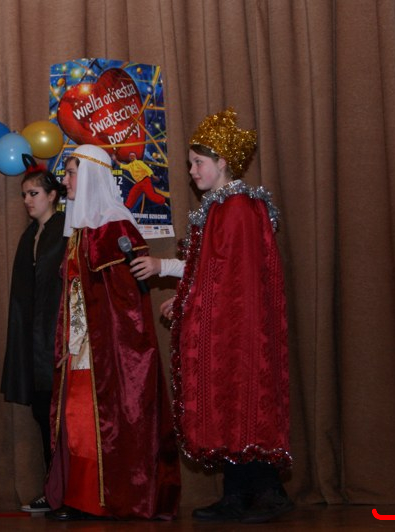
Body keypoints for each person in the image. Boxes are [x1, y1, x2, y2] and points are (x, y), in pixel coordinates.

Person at [130, 108, 293, 524]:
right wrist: (181, 290)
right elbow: (209, 269)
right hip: (229, 321)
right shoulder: (222, 207)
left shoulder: (237, 207)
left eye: (198, 162)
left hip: (239, 325)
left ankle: (268, 494)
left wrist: (187, 298)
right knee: (229, 401)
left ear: (222, 162)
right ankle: (236, 494)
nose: (192, 171)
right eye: (190, 163)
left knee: (242, 400)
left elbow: (229, 275)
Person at [44, 144, 181, 521]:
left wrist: (101, 339)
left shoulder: (115, 228)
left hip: (108, 349)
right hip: (80, 345)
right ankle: (79, 497)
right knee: (75, 419)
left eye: (72, 173)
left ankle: (100, 500)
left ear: (90, 176)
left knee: (94, 419)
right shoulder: (79, 233)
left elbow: (127, 302)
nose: (66, 181)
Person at [0, 157, 66, 513]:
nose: (27, 200)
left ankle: (67, 491)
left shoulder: (66, 229)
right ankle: (53, 489)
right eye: (24, 194)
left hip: (58, 340)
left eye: (34, 193)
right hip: (36, 341)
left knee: (62, 416)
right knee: (43, 414)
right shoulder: (30, 236)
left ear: (52, 195)